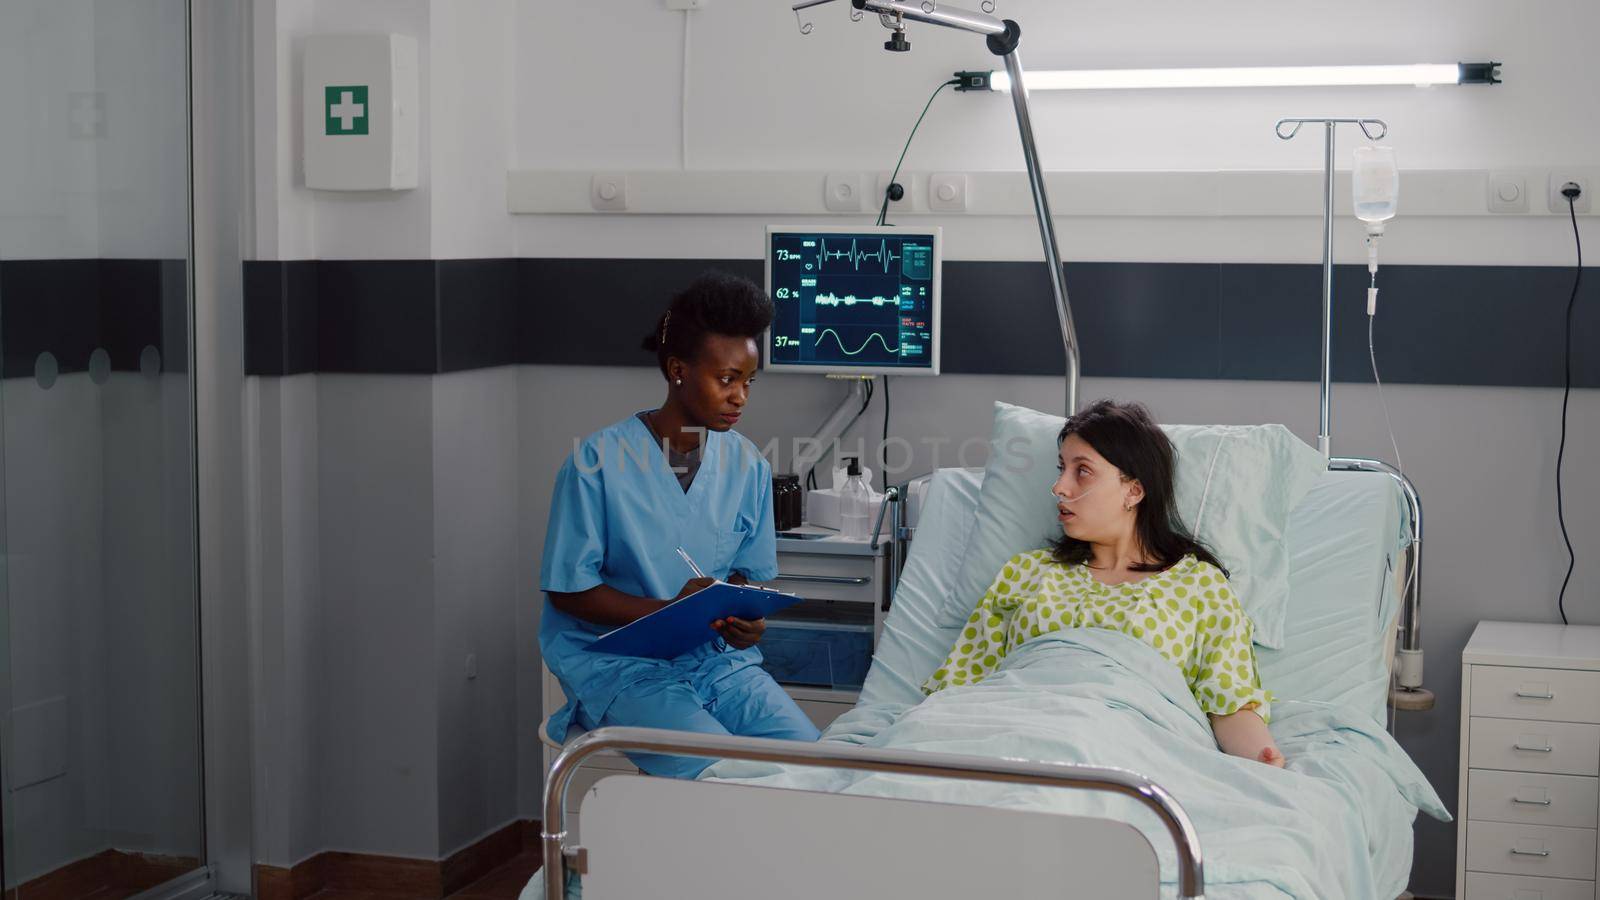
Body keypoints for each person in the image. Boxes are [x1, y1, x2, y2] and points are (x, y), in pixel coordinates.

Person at [539, 270, 820, 779]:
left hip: (714, 661)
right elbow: (570, 591)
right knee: (724, 774)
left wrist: (742, 619)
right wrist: (668, 612)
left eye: (748, 382)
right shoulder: (596, 463)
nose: (741, 397)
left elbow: (746, 577)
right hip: (620, 664)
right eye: (727, 379)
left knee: (816, 766)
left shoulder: (747, 465)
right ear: (678, 371)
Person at [923, 399, 1284, 767]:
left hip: (1126, 746)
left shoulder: (1198, 585)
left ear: (1134, 491)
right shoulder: (1026, 572)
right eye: (1062, 468)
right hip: (1009, 732)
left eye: (1083, 471)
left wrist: (1261, 759)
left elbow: (1229, 700)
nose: (1059, 487)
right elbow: (963, 687)